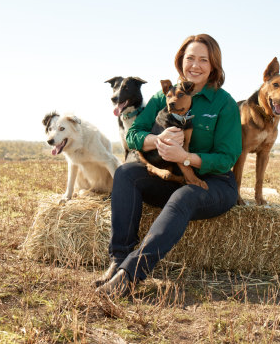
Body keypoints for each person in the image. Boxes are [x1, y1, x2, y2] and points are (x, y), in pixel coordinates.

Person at [94, 34, 242, 295]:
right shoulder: (164, 97)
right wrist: (156, 139)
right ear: (180, 62)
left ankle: (129, 274)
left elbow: (227, 158)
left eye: (203, 60)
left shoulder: (224, 103)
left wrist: (185, 157)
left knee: (185, 196)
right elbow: (133, 134)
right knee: (126, 172)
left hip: (213, 183)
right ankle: (118, 259)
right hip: (170, 178)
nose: (195, 65)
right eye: (190, 58)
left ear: (214, 65)